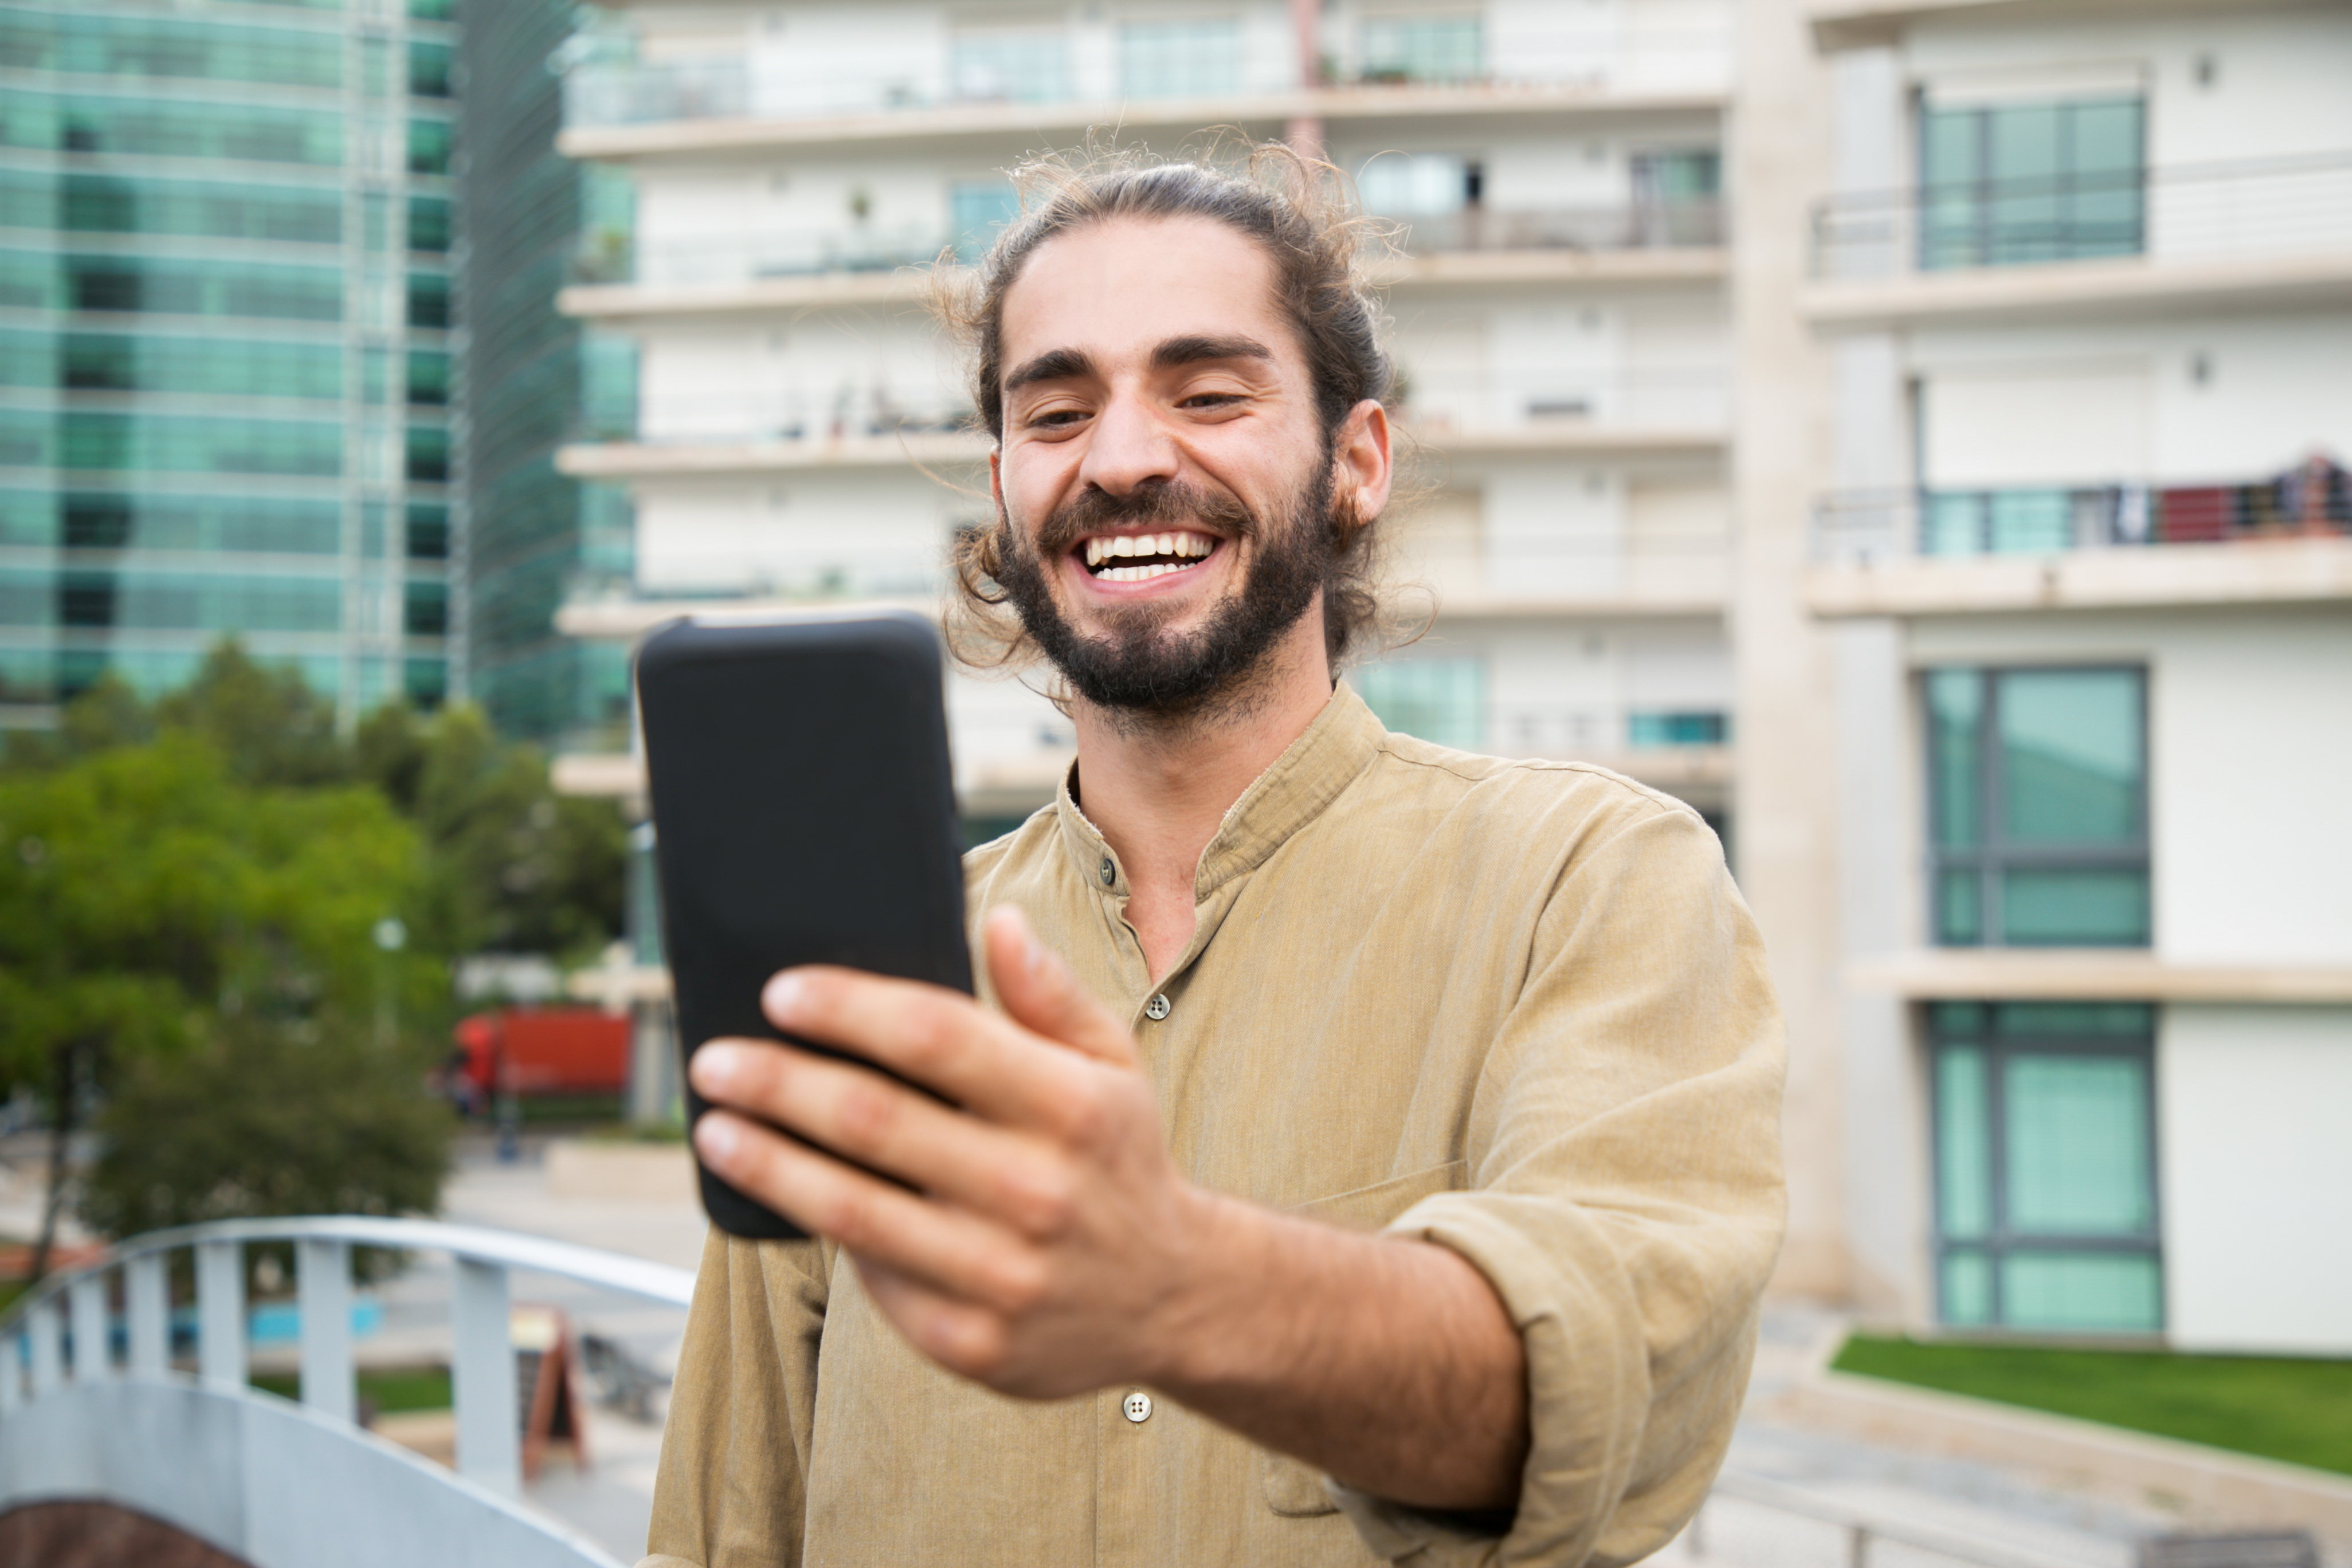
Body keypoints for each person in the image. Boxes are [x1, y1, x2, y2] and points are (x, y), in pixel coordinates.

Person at [643, 147, 1786, 1568]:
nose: (1121, 460)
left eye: (1209, 393)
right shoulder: (873, 978)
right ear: (1004, 489)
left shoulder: (1593, 880)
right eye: (1056, 410)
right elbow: (722, 1523)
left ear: (1357, 462)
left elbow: (1612, 1395)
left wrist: (1175, 1286)